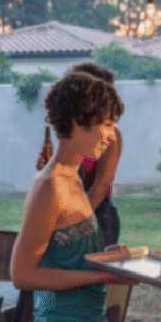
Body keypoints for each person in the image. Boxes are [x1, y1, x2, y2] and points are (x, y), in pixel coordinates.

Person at [11, 71, 135, 322]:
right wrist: (101, 276)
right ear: (79, 122)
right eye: (107, 124)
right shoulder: (49, 187)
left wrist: (108, 258)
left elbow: (69, 254)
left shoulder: (74, 177)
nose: (112, 135)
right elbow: (23, 274)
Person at [36, 62, 122, 246]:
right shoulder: (75, 129)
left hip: (96, 209)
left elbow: (102, 183)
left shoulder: (112, 135)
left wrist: (77, 221)